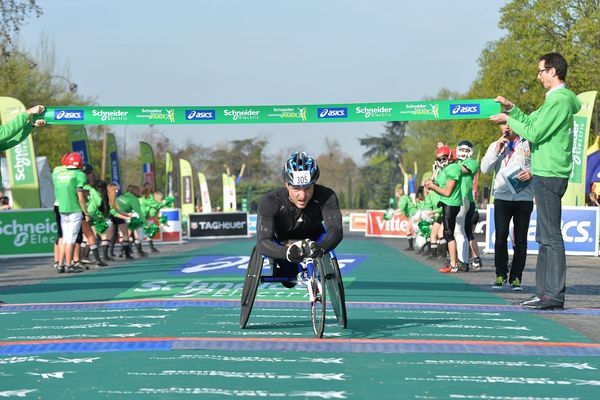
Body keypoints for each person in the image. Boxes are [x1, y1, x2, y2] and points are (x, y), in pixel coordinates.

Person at [490, 52, 581, 310]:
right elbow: (530, 121)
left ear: (553, 71)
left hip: (551, 172)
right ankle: (543, 293)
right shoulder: (553, 100)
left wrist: (509, 120)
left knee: (551, 235)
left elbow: (534, 133)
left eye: (541, 71)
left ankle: (554, 294)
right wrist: (511, 107)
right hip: (544, 171)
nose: (538, 76)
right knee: (543, 236)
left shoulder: (560, 101)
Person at [256, 151, 343, 288]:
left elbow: (336, 230)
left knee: (324, 238)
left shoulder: (327, 196)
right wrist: (286, 253)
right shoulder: (270, 201)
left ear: (314, 183)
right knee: (288, 279)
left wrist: (322, 247)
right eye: (296, 188)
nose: (302, 196)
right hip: (282, 242)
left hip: (314, 239)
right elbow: (262, 242)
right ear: (286, 184)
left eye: (307, 188)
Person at [480, 123, 534, 291]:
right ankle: (500, 274)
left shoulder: (529, 144)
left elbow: (541, 166)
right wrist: (497, 149)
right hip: (502, 197)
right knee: (501, 236)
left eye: (509, 126)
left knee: (521, 240)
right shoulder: (495, 145)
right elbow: (484, 169)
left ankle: (516, 277)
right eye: (503, 126)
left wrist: (532, 173)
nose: (506, 129)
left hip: (523, 198)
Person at [424, 146, 466, 273]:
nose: (440, 161)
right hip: (446, 203)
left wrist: (432, 186)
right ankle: (453, 262)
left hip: (450, 203)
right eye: (439, 159)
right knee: (447, 234)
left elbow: (447, 192)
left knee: (449, 233)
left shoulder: (453, 168)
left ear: (449, 157)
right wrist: (431, 183)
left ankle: (454, 264)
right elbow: (438, 184)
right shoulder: (446, 168)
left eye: (443, 158)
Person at [51, 152, 88, 273]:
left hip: (62, 208)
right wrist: (86, 213)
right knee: (71, 239)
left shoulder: (59, 174)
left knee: (64, 237)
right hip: (74, 209)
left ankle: (60, 264)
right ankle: (69, 265)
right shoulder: (79, 174)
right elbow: (81, 197)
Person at [454, 140, 482, 271]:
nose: (464, 153)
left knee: (465, 233)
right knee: (459, 232)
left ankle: (471, 259)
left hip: (467, 202)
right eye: (462, 150)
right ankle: (461, 259)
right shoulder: (454, 163)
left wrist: (447, 164)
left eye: (467, 150)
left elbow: (459, 170)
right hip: (455, 201)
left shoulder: (472, 163)